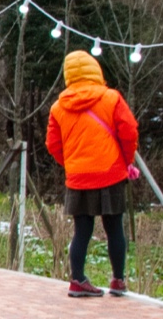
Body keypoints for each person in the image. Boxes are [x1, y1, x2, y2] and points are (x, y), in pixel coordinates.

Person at [46, 49, 140, 298]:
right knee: (114, 229)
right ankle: (118, 280)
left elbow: (53, 144)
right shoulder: (111, 98)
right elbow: (129, 131)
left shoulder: (58, 107)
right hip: (111, 172)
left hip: (78, 178)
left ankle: (77, 280)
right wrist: (127, 161)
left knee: (82, 231)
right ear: (94, 69)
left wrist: (72, 163)